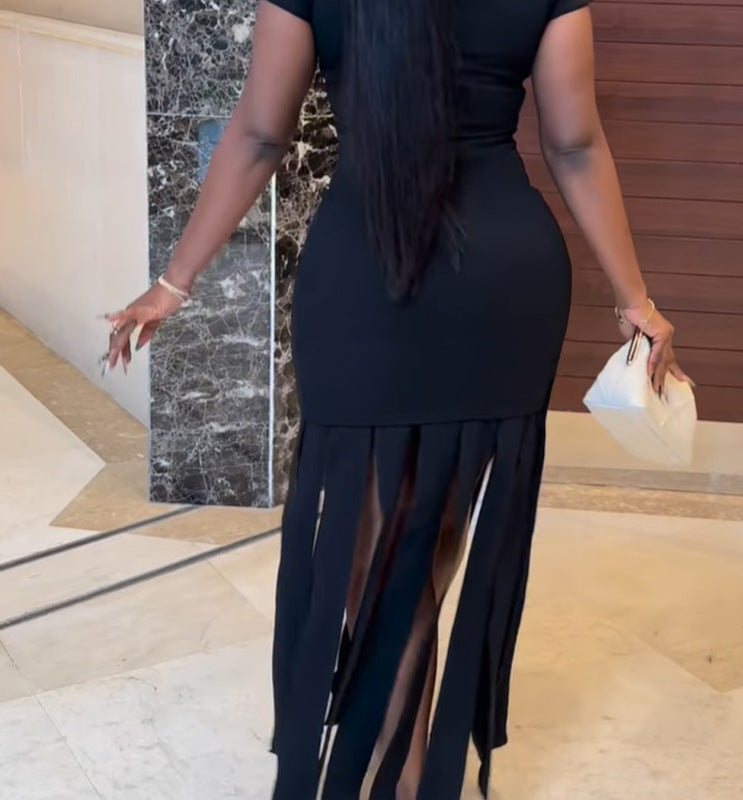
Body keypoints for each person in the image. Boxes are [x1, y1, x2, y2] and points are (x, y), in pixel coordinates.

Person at [105, 1, 690, 798]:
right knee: (429, 542)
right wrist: (635, 300)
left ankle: (404, 772)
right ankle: (410, 770)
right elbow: (574, 143)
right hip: (501, 284)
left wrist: (175, 282)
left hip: (367, 275)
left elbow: (261, 134)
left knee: (377, 543)